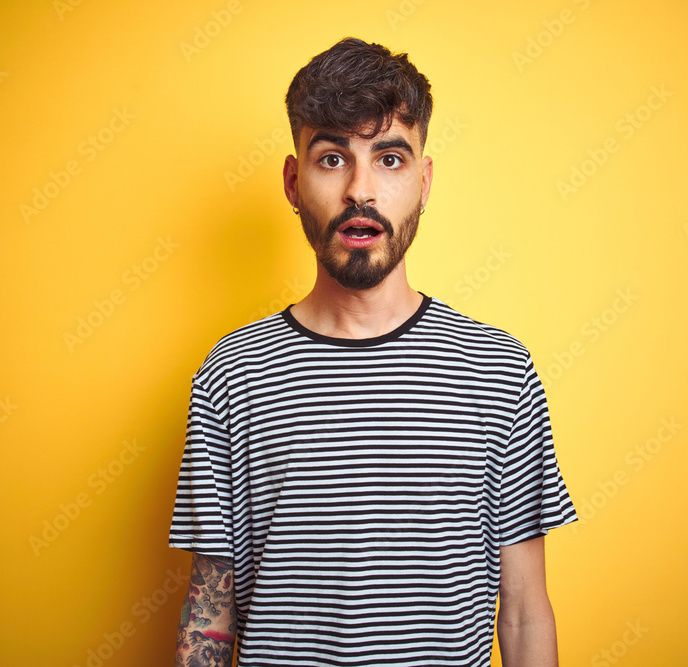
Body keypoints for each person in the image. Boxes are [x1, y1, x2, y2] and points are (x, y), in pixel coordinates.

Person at [169, 36, 577, 667]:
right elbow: (209, 614)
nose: (360, 190)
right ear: (293, 181)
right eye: (332, 158)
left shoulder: (498, 371)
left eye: (389, 159)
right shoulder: (232, 373)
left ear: (424, 180)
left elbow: (524, 613)